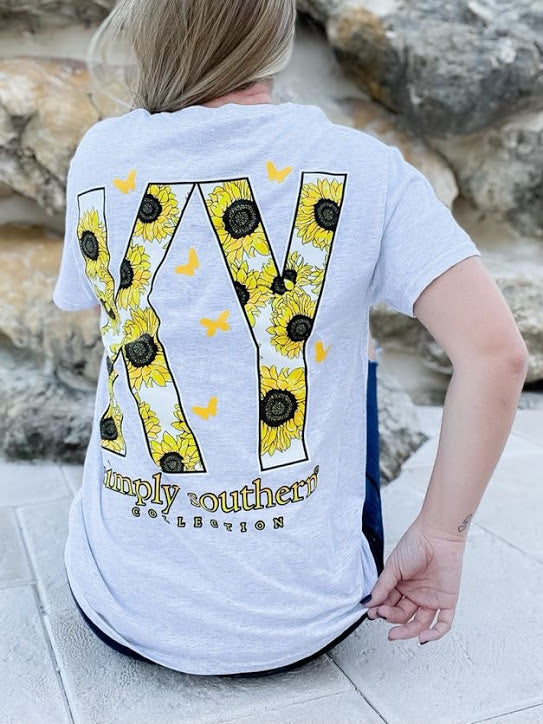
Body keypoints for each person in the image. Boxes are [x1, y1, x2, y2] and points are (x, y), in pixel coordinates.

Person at [53, 0, 528, 677]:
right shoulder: (365, 168)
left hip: (120, 611)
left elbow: (96, 305)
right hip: (303, 623)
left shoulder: (101, 154)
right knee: (353, 345)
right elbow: (496, 354)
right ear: (276, 33)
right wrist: (441, 535)